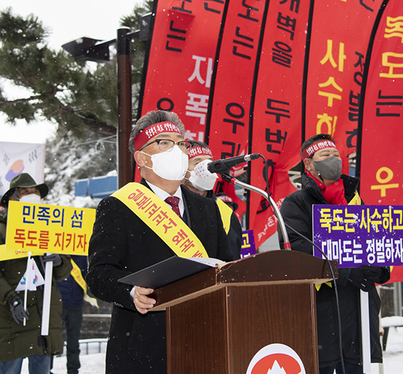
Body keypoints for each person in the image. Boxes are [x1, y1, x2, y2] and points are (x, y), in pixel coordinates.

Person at [86, 110, 239, 374]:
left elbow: (226, 266)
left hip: (203, 341)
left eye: (181, 143)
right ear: (142, 158)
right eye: (165, 142)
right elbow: (98, 274)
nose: (177, 150)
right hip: (143, 346)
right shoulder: (118, 207)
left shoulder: (208, 209)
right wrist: (130, 293)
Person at [279, 134, 390, 374]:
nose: (334, 160)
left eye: (336, 155)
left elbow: (378, 243)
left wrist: (379, 269)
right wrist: (349, 271)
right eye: (325, 155)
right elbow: (300, 250)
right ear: (308, 164)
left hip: (361, 314)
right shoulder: (295, 203)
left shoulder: (356, 201)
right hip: (323, 315)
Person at [0, 173, 72, 374]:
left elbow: (64, 270)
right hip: (12, 318)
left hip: (44, 318)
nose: (32, 195)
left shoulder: (50, 226)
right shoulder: (1, 228)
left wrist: (59, 261)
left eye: (35, 192)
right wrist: (11, 299)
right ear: (12, 198)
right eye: (25, 191)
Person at [182, 140, 242, 258]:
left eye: (209, 163)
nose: (206, 169)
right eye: (198, 163)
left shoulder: (225, 212)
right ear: (182, 168)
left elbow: (232, 257)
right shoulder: (172, 204)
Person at [55, 255, 88, 374]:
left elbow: (85, 276)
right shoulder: (58, 252)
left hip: (76, 304)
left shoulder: (82, 255)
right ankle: (47, 368)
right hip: (58, 303)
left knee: (74, 341)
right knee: (53, 339)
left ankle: (73, 369)